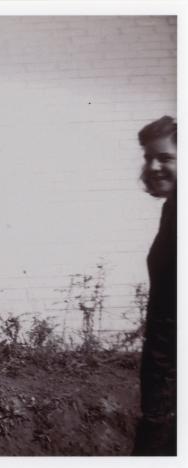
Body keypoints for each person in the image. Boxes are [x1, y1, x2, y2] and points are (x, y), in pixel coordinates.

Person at [132, 116, 177, 456]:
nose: (154, 166)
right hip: (164, 375)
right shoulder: (173, 211)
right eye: (149, 157)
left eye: (166, 158)